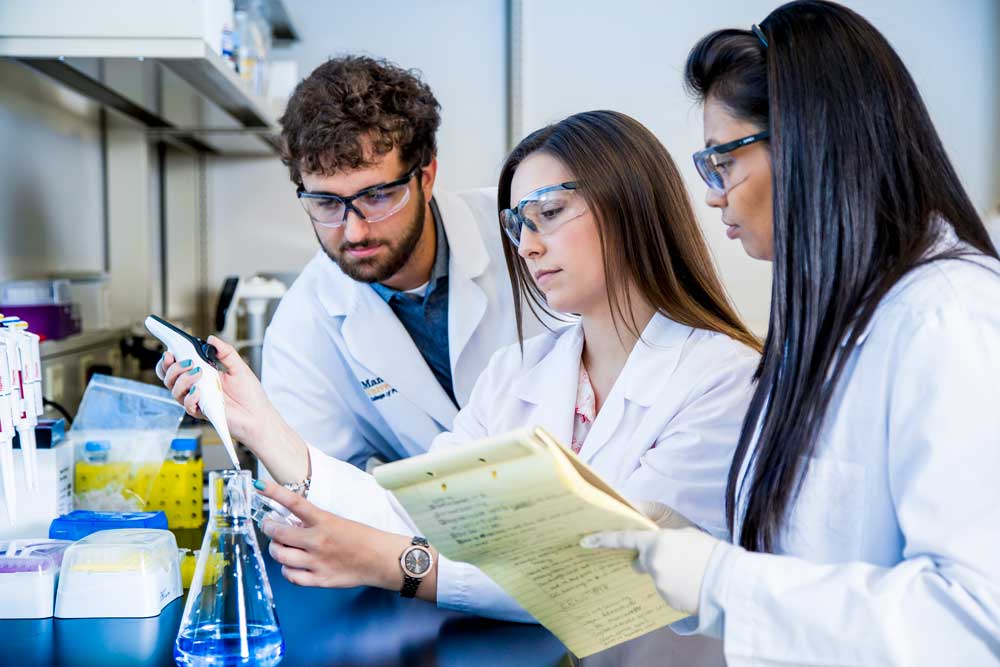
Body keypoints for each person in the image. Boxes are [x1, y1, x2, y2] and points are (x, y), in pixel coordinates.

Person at [160, 111, 760, 643]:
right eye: (518, 222)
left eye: (548, 213)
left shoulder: (723, 379)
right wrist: (259, 424)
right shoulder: (521, 371)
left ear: (630, 206)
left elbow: (609, 575)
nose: (525, 246)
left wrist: (400, 565)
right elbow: (414, 509)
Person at [583, 3, 1000, 665]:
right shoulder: (833, 316)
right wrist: (699, 550)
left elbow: (975, 617)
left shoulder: (948, 315)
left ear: (810, 142)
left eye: (723, 159)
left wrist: (722, 581)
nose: (715, 195)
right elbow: (819, 551)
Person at [261, 55, 536, 471]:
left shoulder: (521, 233)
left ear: (425, 177)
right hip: (428, 529)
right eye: (326, 203)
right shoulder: (302, 327)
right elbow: (307, 494)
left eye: (377, 197)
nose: (354, 231)